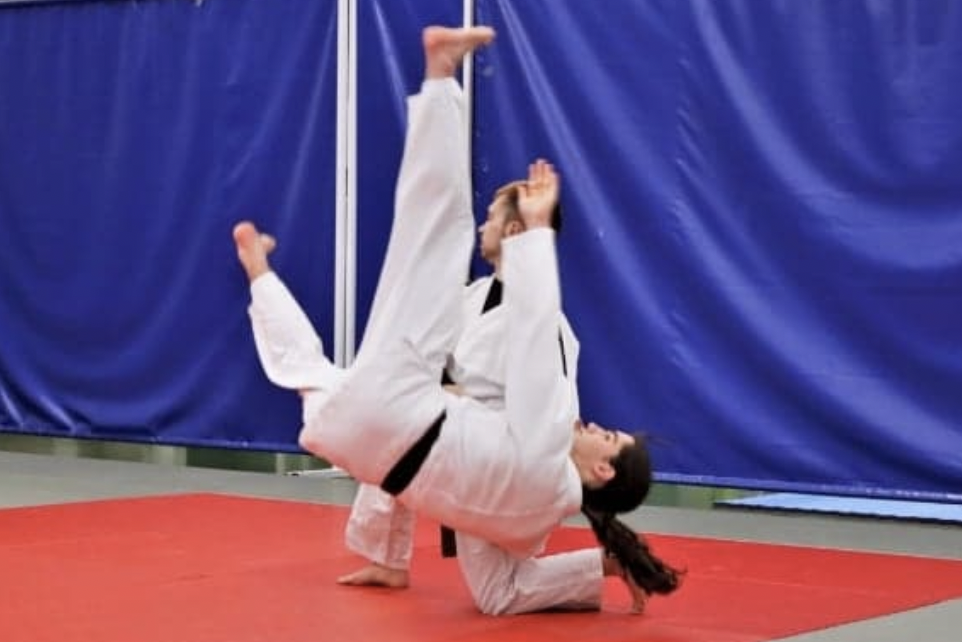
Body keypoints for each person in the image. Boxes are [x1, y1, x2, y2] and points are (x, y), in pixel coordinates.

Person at [233, 25, 681, 615]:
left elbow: (534, 346)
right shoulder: (534, 506)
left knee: (433, 235)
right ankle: (260, 273)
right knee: (314, 374)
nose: (599, 424)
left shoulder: (549, 410)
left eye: (608, 436)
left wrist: (537, 234)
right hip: (383, 441)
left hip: (417, 427)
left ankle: (441, 78)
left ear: (601, 467)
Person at [338, 175, 579, 590]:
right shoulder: (473, 296)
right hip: (461, 446)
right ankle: (387, 558)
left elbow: (553, 416)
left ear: (513, 231)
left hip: (506, 467)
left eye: (490, 218)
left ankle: (602, 564)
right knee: (396, 418)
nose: (482, 227)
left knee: (499, 595)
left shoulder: (545, 324)